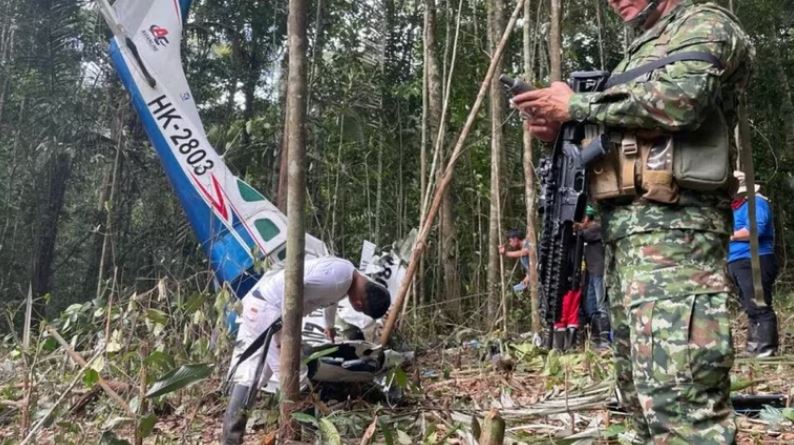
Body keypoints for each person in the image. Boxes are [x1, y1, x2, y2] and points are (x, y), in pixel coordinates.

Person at [512, 0, 752, 442]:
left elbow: (683, 101)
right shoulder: (640, 49)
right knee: (639, 402)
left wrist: (579, 106)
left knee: (680, 407)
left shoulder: (705, 22)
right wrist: (563, 127)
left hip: (677, 238)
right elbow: (625, 133)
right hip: (627, 239)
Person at [222, 256, 391, 444]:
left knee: (256, 375)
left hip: (264, 308)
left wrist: (329, 324)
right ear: (360, 305)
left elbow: (331, 299)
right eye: (359, 310)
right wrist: (287, 332)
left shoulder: (347, 276)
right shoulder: (336, 279)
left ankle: (231, 438)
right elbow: (294, 284)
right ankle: (303, 434)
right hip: (267, 312)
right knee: (293, 376)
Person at [728, 171, 778, 357]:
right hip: (737, 260)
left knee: (760, 303)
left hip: (755, 259)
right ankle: (753, 347)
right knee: (750, 305)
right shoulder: (734, 207)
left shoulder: (756, 202)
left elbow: (755, 229)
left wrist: (729, 235)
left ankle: (766, 348)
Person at [576, 206, 610, 349]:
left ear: (586, 218)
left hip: (599, 272)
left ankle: (605, 339)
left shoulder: (596, 228)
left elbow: (584, 235)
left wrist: (575, 228)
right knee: (591, 306)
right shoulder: (588, 231)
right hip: (590, 273)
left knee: (601, 305)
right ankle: (596, 337)